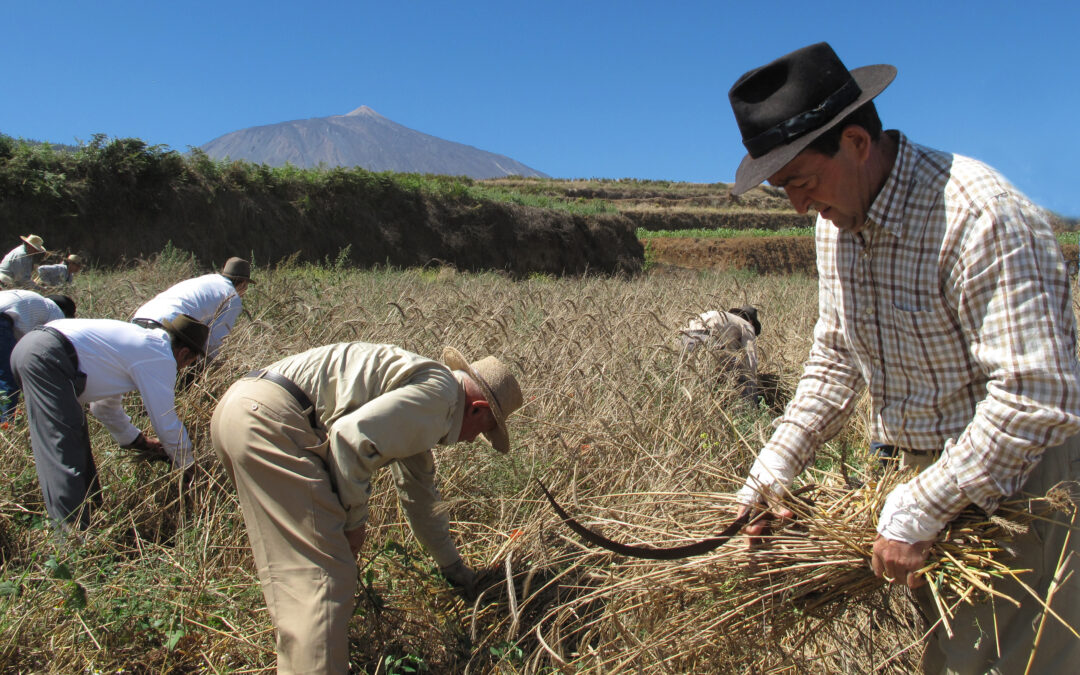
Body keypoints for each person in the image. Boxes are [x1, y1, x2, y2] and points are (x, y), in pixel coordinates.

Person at [727, 42, 1080, 673]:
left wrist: (923, 503)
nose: (799, 206)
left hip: (1019, 485)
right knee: (947, 659)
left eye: (802, 182)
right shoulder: (834, 224)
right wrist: (774, 468)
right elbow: (836, 358)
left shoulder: (979, 218)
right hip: (921, 483)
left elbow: (1039, 395)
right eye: (784, 190)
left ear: (858, 143)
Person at [211, 343, 524, 673]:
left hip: (242, 412)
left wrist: (454, 570)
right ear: (476, 409)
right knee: (323, 582)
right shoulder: (441, 397)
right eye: (486, 429)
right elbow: (350, 439)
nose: (475, 440)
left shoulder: (425, 400)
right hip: (272, 424)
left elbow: (421, 500)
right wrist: (354, 522)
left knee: (301, 584)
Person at [9, 314, 208, 531]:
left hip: (38, 349)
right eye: (190, 362)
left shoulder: (140, 346)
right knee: (62, 451)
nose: (185, 368)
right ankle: (72, 543)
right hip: (47, 356)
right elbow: (167, 424)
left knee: (74, 436)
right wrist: (189, 467)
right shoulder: (160, 355)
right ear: (184, 352)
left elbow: (104, 407)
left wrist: (139, 442)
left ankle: (92, 515)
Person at [132, 257, 252, 359]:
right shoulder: (232, 297)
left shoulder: (207, 280)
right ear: (243, 283)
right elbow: (213, 343)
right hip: (169, 328)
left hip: (140, 318)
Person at [0, 290, 76, 419]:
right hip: (2, 320)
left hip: (4, 318)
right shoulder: (56, 313)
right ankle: (5, 425)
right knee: (8, 378)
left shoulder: (34, 302)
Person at [678, 306, 761, 402]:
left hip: (686, 338)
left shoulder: (726, 319)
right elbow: (751, 359)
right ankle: (745, 408)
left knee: (692, 380)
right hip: (708, 339)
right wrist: (752, 393)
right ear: (751, 321)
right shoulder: (746, 325)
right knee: (737, 376)